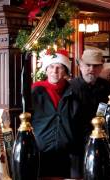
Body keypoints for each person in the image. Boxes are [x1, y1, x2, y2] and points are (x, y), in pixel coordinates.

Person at [69, 49, 110, 177]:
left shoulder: (108, 87)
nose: (91, 69)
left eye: (95, 66)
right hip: (77, 145)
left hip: (102, 140)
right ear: (80, 65)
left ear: (101, 67)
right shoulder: (70, 87)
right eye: (88, 65)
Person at [31, 49, 77, 178]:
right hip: (41, 152)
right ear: (46, 70)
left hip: (66, 154)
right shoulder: (36, 91)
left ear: (65, 71)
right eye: (51, 66)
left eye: (59, 67)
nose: (54, 71)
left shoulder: (72, 93)